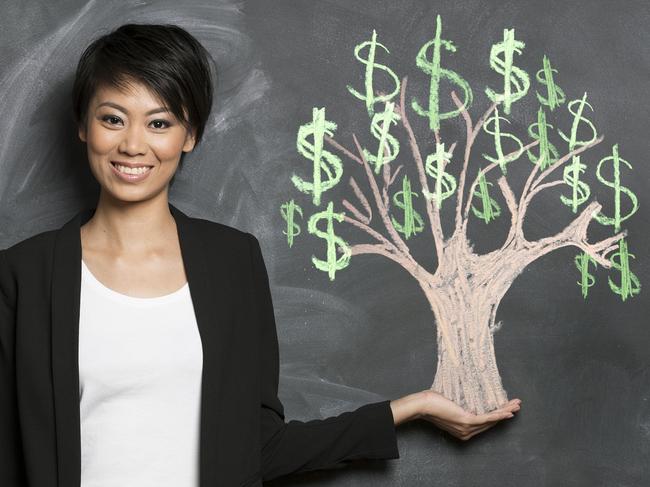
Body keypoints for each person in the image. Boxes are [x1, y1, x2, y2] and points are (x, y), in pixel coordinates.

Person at [0, 23, 521, 486]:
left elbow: (259, 448)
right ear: (83, 127)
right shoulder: (24, 276)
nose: (134, 144)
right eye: (113, 118)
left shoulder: (232, 263)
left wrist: (408, 410)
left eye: (159, 123)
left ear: (191, 134)